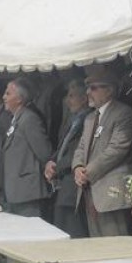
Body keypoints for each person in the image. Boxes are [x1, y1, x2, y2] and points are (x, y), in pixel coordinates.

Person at [72, 64, 132, 238]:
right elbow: (81, 147)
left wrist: (87, 172)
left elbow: (117, 149)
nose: (88, 92)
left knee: (116, 244)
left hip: (111, 193)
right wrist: (77, 167)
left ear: (109, 90)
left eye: (93, 88)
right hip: (89, 192)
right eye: (87, 87)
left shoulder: (123, 113)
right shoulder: (90, 117)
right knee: (97, 245)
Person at [0, 77, 52, 217]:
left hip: (28, 192)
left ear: (19, 99)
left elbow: (44, 152)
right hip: (16, 191)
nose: (4, 97)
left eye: (8, 93)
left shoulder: (29, 119)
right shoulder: (16, 119)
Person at [45, 78, 91, 237]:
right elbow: (62, 147)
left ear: (84, 99)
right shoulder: (73, 120)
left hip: (74, 184)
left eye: (72, 96)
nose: (67, 101)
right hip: (63, 185)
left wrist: (56, 167)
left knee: (74, 231)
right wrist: (51, 161)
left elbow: (77, 151)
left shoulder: (89, 119)